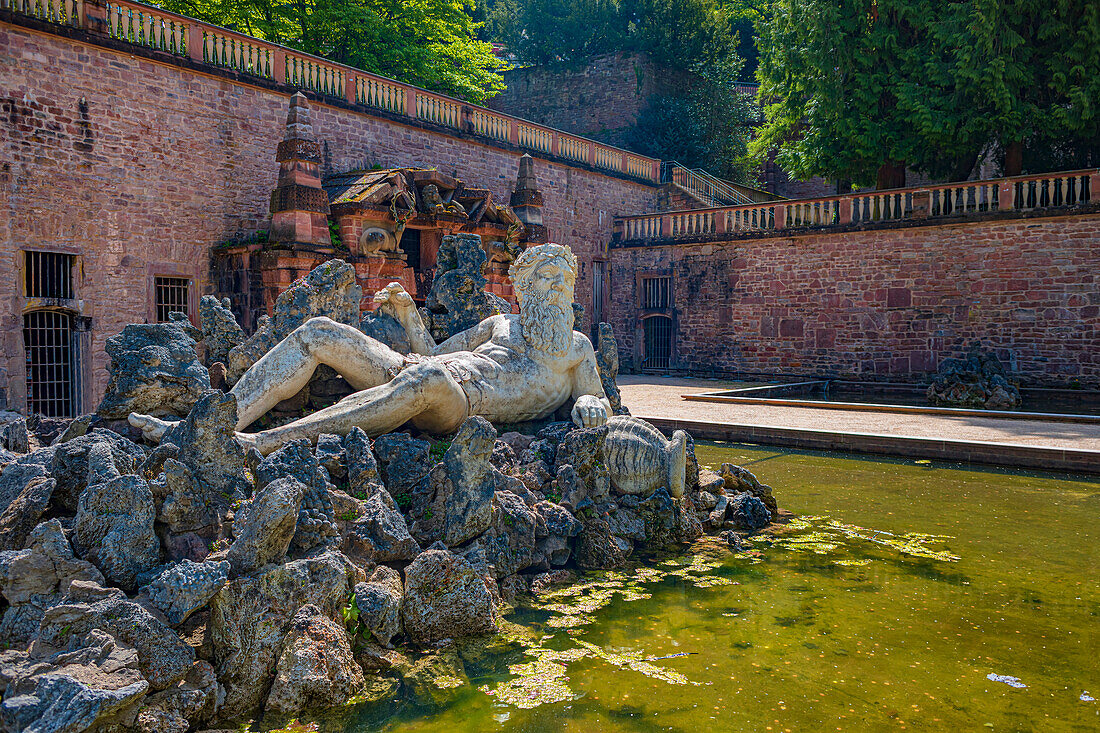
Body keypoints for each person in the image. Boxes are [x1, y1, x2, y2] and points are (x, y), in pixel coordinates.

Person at [130, 243, 610, 454]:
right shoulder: (499, 324)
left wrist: (591, 402)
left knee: (425, 380)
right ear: (522, 288)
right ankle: (210, 425)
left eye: (563, 282)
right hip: (421, 371)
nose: (555, 290)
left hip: (460, 406)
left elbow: (599, 399)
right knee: (318, 329)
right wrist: (408, 314)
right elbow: (436, 352)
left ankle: (262, 444)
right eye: (544, 280)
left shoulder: (575, 349)